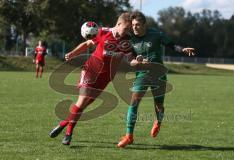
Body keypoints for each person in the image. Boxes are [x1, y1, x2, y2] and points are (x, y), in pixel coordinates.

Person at [49, 12, 135, 145]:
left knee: (84, 105)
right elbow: (88, 43)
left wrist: (137, 61)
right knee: (82, 100)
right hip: (91, 70)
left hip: (106, 77)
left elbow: (130, 58)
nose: (126, 31)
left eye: (129, 29)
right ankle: (68, 134)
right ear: (118, 24)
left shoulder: (127, 41)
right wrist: (73, 53)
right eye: (126, 28)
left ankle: (62, 124)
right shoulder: (102, 32)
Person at [117, 11, 195, 148]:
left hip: (158, 74)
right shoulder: (129, 39)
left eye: (137, 25)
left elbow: (171, 45)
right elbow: (130, 58)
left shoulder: (156, 34)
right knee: (134, 102)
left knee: (158, 105)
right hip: (142, 74)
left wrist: (182, 49)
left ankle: (158, 121)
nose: (134, 27)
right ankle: (129, 136)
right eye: (133, 25)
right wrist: (135, 61)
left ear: (145, 25)